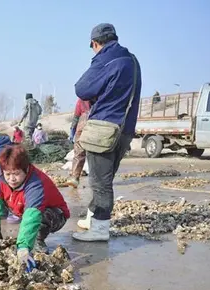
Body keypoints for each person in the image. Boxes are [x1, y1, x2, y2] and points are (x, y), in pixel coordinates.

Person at [72, 23, 141, 242]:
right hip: (125, 129)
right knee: (104, 178)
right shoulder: (132, 60)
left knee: (100, 183)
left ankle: (100, 229)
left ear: (95, 43)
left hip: (104, 128)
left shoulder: (106, 58)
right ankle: (93, 218)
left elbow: (82, 89)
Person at [0, 145, 70, 268]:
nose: (12, 179)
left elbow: (32, 216)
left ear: (26, 169)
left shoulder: (35, 184)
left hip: (55, 214)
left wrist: (23, 247)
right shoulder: (0, 178)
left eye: (16, 173)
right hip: (21, 210)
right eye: (8, 174)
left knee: (39, 218)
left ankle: (36, 245)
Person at [65, 98, 92, 188]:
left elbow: (76, 115)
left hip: (83, 121)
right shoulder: (101, 94)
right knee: (95, 151)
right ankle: (96, 179)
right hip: (96, 121)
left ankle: (75, 178)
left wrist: (72, 128)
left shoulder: (82, 98)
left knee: (79, 152)